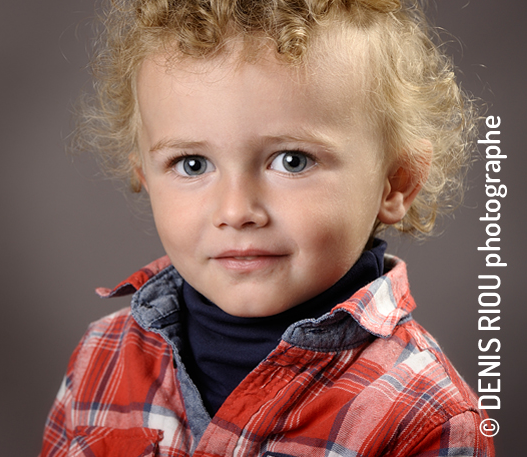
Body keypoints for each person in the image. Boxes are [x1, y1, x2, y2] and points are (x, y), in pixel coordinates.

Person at [41, 0, 495, 455]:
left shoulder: (424, 415)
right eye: (192, 163)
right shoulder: (102, 356)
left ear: (397, 182)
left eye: (292, 161)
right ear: (143, 173)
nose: (236, 210)